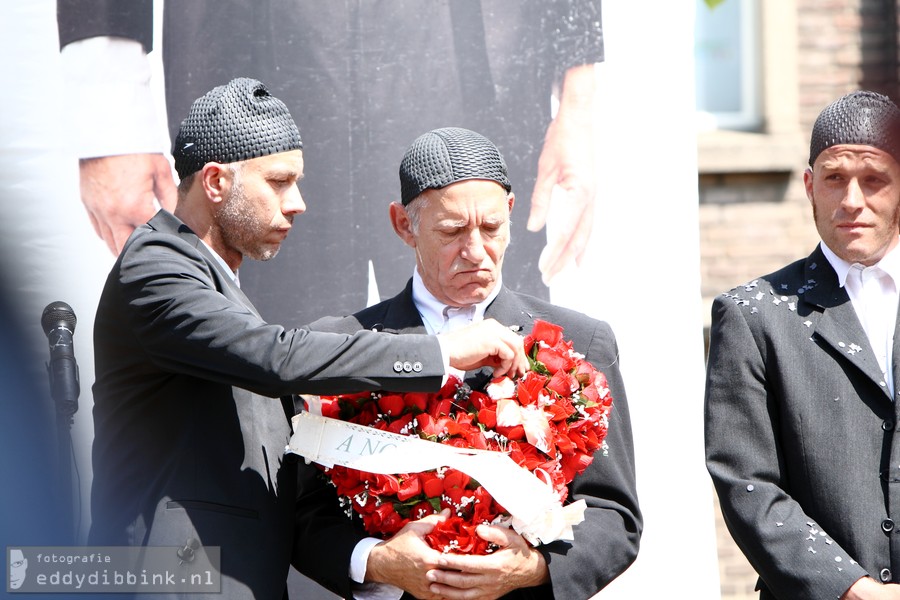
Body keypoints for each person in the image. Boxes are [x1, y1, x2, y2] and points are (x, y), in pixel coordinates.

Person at [90, 79, 528, 600]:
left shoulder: (213, 284)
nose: (297, 203)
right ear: (214, 183)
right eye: (278, 182)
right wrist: (439, 351)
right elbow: (276, 356)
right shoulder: (155, 266)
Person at [56, 0, 603, 324]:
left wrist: (580, 93)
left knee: (486, 382)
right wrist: (110, 107)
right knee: (250, 401)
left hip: (463, 45)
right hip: (252, 37)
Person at [305, 127, 642, 599]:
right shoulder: (342, 346)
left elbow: (614, 516)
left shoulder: (581, 341)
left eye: (491, 228)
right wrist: (378, 561)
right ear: (404, 225)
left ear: (510, 212)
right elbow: (305, 514)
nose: (476, 251)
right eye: (451, 232)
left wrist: (533, 568)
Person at [705, 90, 900, 600]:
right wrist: (852, 589)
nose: (852, 200)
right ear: (810, 186)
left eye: (874, 179)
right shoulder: (752, 315)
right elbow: (746, 482)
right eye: (835, 178)